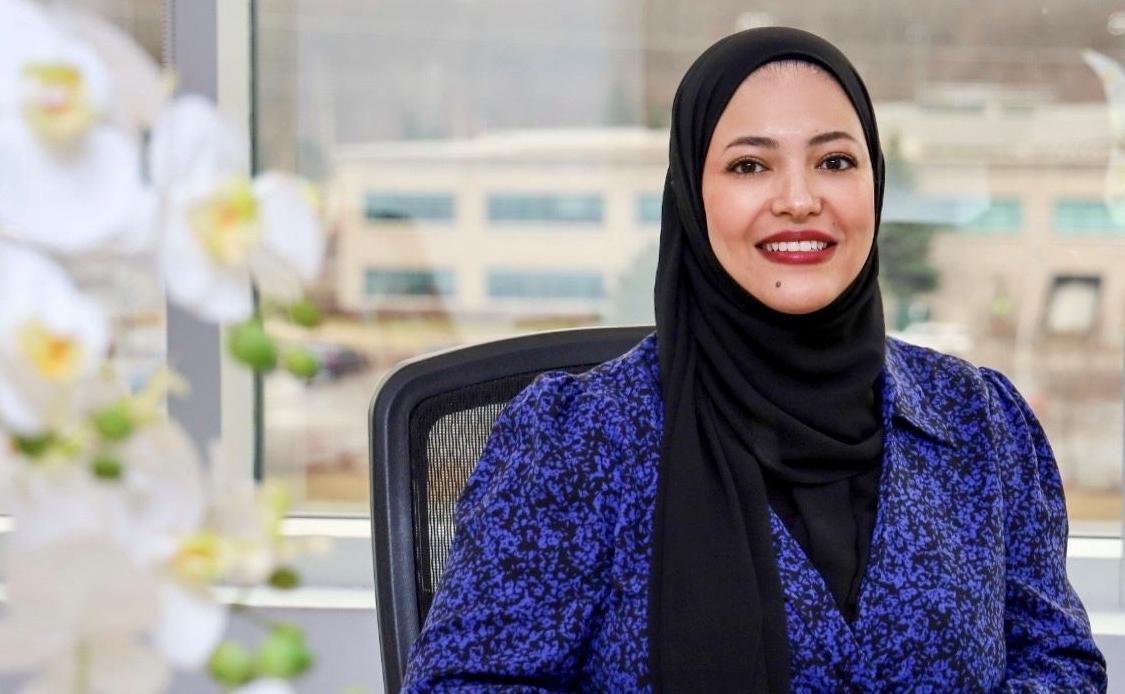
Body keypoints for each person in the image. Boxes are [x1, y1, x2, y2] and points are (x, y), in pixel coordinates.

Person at [402, 27, 1107, 693]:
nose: (799, 199)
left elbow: (1059, 664)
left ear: (875, 184)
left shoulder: (980, 421)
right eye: (749, 165)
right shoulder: (573, 442)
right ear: (692, 196)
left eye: (834, 161)